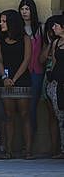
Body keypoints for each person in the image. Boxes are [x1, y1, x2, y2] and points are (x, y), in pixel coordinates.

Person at [0, 9, 33, 159]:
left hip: (22, 80)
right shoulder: (0, 40)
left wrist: (14, 79)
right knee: (8, 116)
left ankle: (28, 150)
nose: (1, 24)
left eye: (4, 21)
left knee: (25, 115)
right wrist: (5, 77)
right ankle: (9, 150)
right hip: (6, 80)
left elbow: (27, 60)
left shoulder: (25, 39)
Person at [19, 0, 45, 138]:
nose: (24, 12)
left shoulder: (40, 28)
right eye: (22, 9)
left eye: (27, 9)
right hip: (21, 72)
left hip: (37, 71)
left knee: (32, 106)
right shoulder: (18, 29)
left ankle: (32, 139)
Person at [44, 15, 64, 158]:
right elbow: (54, 62)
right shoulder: (56, 43)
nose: (53, 28)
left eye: (56, 25)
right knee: (60, 117)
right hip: (57, 83)